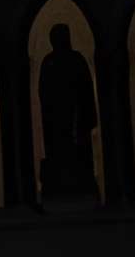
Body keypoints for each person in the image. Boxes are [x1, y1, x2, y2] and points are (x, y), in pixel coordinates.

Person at [37, 21, 98, 201]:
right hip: (57, 119)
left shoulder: (75, 60)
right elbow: (44, 92)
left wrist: (87, 116)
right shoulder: (51, 61)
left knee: (77, 152)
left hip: (75, 116)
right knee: (61, 152)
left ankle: (79, 184)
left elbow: (86, 89)